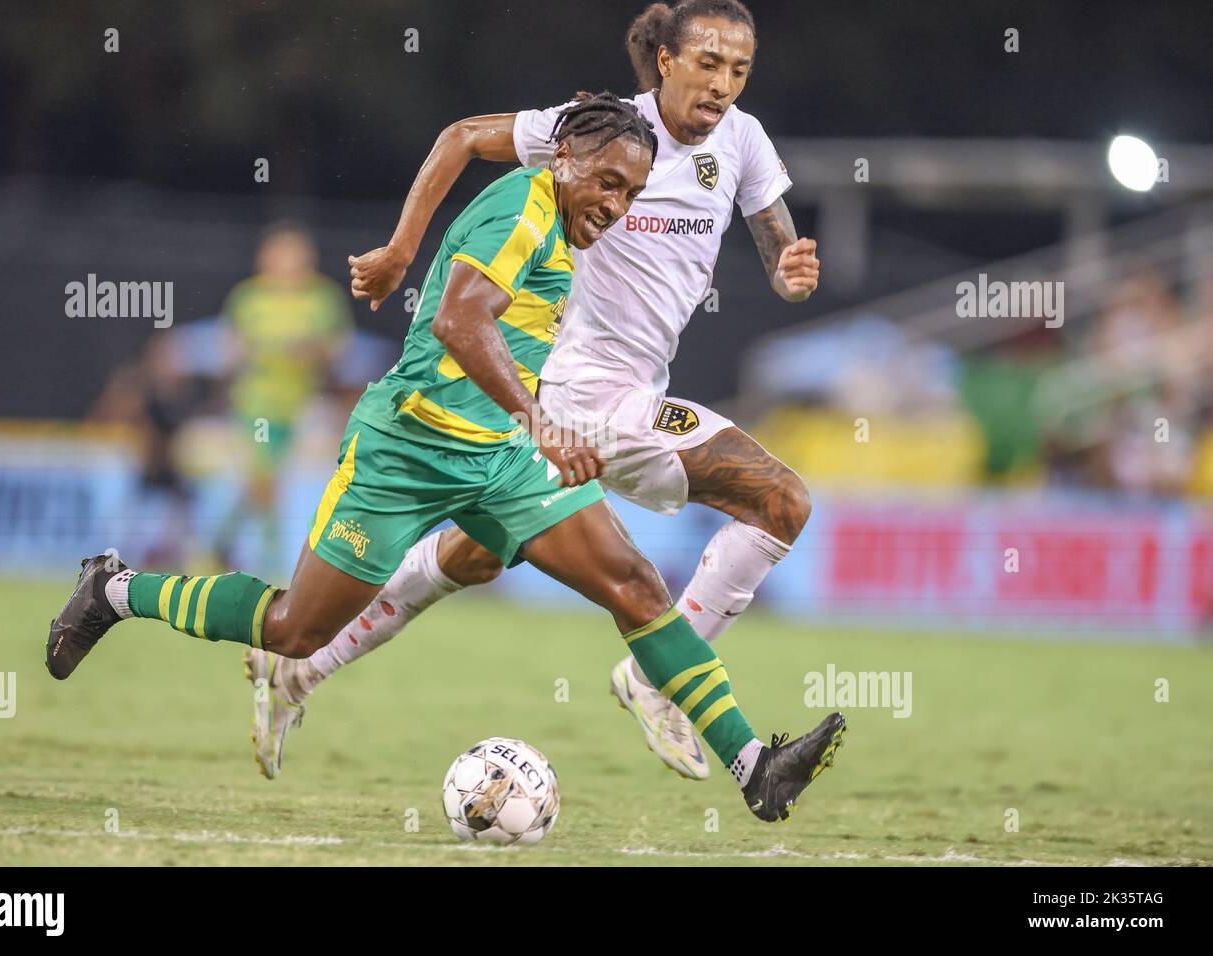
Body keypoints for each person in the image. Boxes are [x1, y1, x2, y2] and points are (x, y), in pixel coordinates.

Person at [45, 92, 844, 824]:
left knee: (634, 585)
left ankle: (754, 766)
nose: (616, 204)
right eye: (606, 182)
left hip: (498, 460)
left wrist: (522, 420)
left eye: (631, 193)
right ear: (562, 159)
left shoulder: (565, 226)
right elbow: (462, 320)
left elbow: (480, 242)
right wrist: (539, 419)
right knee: (293, 626)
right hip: (408, 449)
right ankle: (114, 590)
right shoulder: (524, 212)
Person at [250, 0, 824, 784]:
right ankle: (659, 681)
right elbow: (460, 137)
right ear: (666, 62)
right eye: (709, 64)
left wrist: (791, 272)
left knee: (472, 557)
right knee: (780, 500)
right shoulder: (602, 134)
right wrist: (399, 250)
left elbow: (778, 244)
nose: (724, 84)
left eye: (739, 70)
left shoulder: (745, 141)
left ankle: (299, 670)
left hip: (603, 395)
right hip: (572, 390)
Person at [214, 222, 351, 576]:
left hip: (295, 408)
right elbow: (229, 350)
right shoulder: (249, 297)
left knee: (263, 484)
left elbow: (337, 350)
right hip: (254, 407)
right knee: (266, 481)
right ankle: (270, 564)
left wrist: (309, 352)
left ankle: (220, 544)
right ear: (266, 258)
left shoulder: (322, 297)